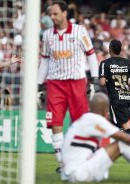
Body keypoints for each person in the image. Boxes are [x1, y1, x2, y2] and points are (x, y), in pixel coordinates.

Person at [37, 0, 99, 172]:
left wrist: (94, 79)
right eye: (51, 14)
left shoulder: (80, 31)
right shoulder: (47, 35)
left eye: (55, 13)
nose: (52, 17)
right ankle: (62, 163)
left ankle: (82, 159)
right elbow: (44, 62)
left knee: (79, 123)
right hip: (55, 83)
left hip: (76, 82)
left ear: (65, 13)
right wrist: (37, 84)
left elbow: (91, 56)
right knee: (55, 123)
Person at [99, 39, 130, 138]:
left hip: (116, 98)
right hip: (127, 97)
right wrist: (124, 73)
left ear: (110, 49)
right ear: (120, 50)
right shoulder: (127, 62)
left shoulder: (105, 63)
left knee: (125, 127)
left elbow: (102, 82)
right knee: (112, 121)